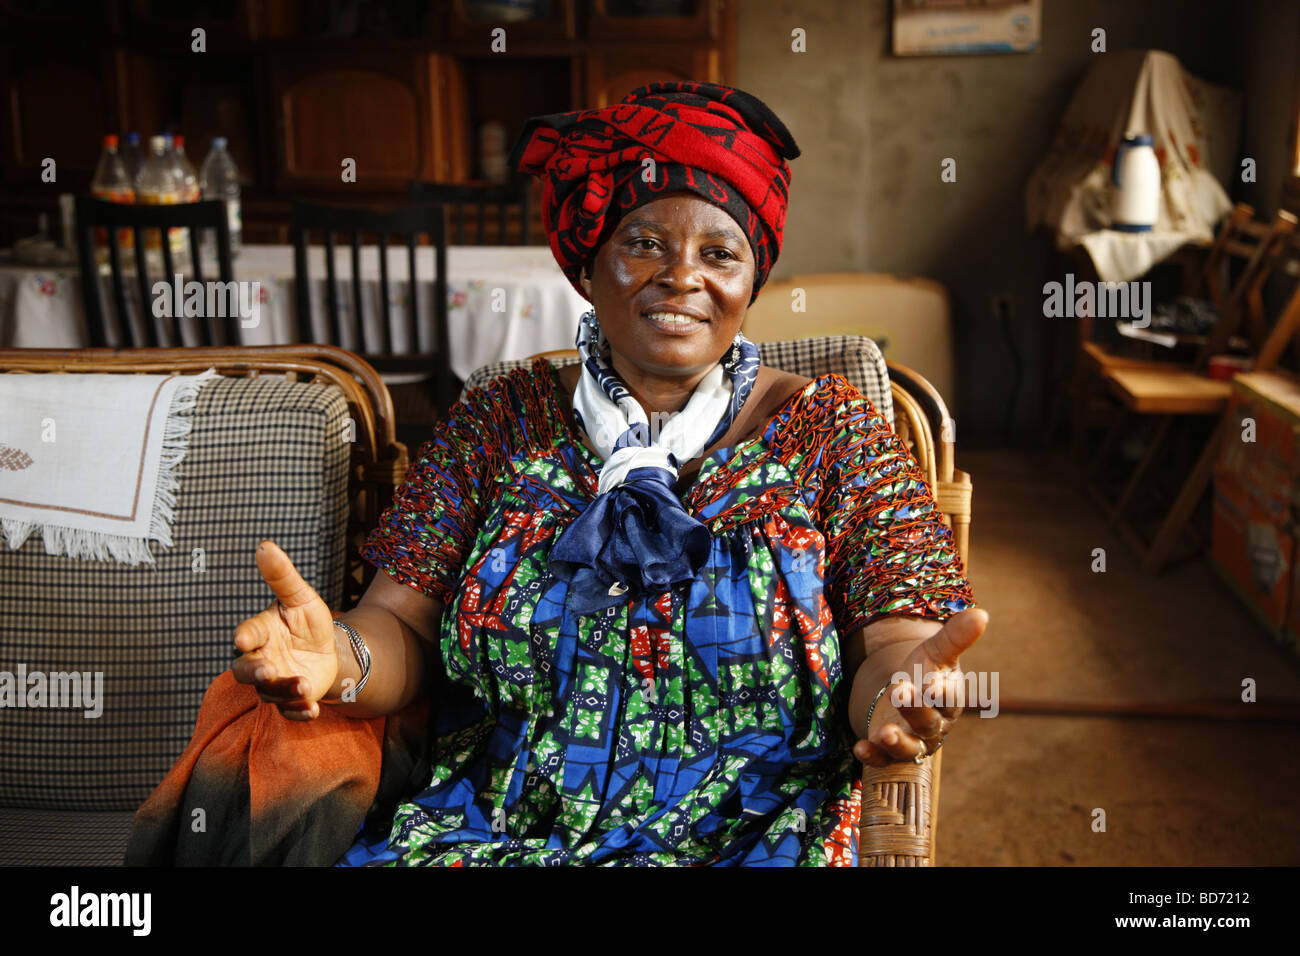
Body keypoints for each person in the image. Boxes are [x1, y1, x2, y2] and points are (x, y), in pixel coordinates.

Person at [129, 81, 984, 867]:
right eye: (643, 242)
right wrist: (343, 658)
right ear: (587, 263)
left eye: (720, 253)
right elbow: (402, 629)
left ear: (753, 273)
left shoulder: (833, 433)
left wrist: (897, 698)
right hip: (494, 828)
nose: (682, 276)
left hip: (754, 838)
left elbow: (895, 640)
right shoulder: (501, 416)